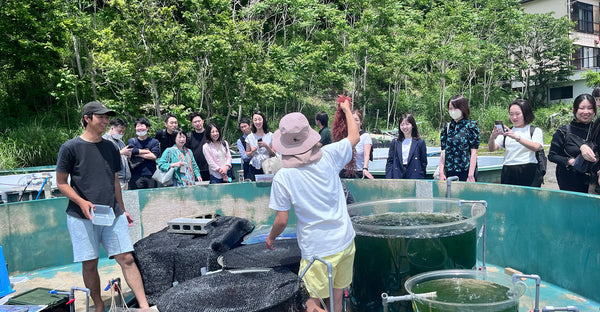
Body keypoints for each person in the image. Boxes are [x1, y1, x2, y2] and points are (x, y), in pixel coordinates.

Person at [266, 97, 359, 312]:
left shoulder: (283, 177)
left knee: (310, 303)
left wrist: (271, 237)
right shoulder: (330, 155)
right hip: (345, 241)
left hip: (317, 250)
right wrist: (346, 109)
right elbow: (354, 136)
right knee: (337, 301)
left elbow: (281, 220)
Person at [55, 101, 150, 312]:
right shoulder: (70, 147)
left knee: (126, 257)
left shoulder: (111, 147)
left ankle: (144, 306)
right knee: (89, 263)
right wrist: (81, 201)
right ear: (87, 118)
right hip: (81, 215)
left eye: (107, 117)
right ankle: (98, 305)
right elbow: (61, 182)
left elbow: (115, 180)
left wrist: (122, 209)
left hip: (111, 213)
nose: (106, 121)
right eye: (101, 117)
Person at [488, 99, 544, 187]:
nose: (514, 117)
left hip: (528, 169)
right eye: (511, 114)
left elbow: (537, 147)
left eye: (517, 114)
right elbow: (492, 148)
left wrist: (516, 137)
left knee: (528, 199)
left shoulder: (534, 130)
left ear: (525, 113)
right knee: (509, 200)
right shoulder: (507, 132)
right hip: (508, 170)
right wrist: (492, 136)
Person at [549, 93, 597, 193]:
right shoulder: (563, 131)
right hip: (570, 180)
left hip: (595, 181)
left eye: (590, 108)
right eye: (582, 108)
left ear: (594, 111)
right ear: (574, 110)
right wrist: (570, 161)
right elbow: (552, 156)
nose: (586, 112)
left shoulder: (597, 130)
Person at [438, 94, 480, 182]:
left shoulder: (471, 126)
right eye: (450, 108)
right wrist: (441, 172)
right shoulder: (447, 127)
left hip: (466, 171)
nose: (452, 111)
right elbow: (443, 151)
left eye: (455, 108)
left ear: (463, 108)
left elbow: (474, 151)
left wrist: (470, 174)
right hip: (450, 171)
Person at [385, 113, 427, 179]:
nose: (405, 127)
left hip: (414, 175)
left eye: (407, 124)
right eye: (402, 125)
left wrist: (420, 175)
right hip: (398, 175)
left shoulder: (420, 142)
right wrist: (389, 178)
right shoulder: (395, 142)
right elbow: (390, 162)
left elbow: (423, 162)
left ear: (412, 125)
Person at [128, 118, 160, 190]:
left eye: (142, 126)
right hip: (135, 175)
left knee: (151, 198)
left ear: (147, 128)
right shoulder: (132, 141)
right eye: (137, 126)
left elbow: (154, 156)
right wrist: (147, 151)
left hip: (151, 175)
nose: (140, 128)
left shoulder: (154, 141)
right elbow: (131, 151)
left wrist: (138, 153)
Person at [341, 110, 374, 179]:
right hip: (345, 171)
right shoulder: (346, 135)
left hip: (358, 171)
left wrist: (365, 168)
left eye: (356, 120)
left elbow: (366, 154)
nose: (354, 122)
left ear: (361, 122)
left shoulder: (365, 136)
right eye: (352, 120)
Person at [102, 118, 132, 190]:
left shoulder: (120, 142)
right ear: (112, 128)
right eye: (120, 131)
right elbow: (105, 157)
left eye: (123, 132)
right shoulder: (105, 140)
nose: (121, 133)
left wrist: (128, 156)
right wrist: (121, 152)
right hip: (114, 180)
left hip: (125, 180)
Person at [246, 111, 275, 181]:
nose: (257, 122)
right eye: (255, 120)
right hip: (254, 166)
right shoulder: (249, 137)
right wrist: (252, 151)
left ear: (263, 120)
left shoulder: (271, 136)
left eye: (259, 119)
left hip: (268, 166)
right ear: (253, 122)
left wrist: (266, 146)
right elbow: (247, 154)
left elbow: (273, 154)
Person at [186, 112, 210, 181]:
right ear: (192, 123)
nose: (197, 123)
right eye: (195, 122)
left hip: (210, 169)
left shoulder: (209, 135)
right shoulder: (189, 136)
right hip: (195, 170)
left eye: (199, 121)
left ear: (203, 121)